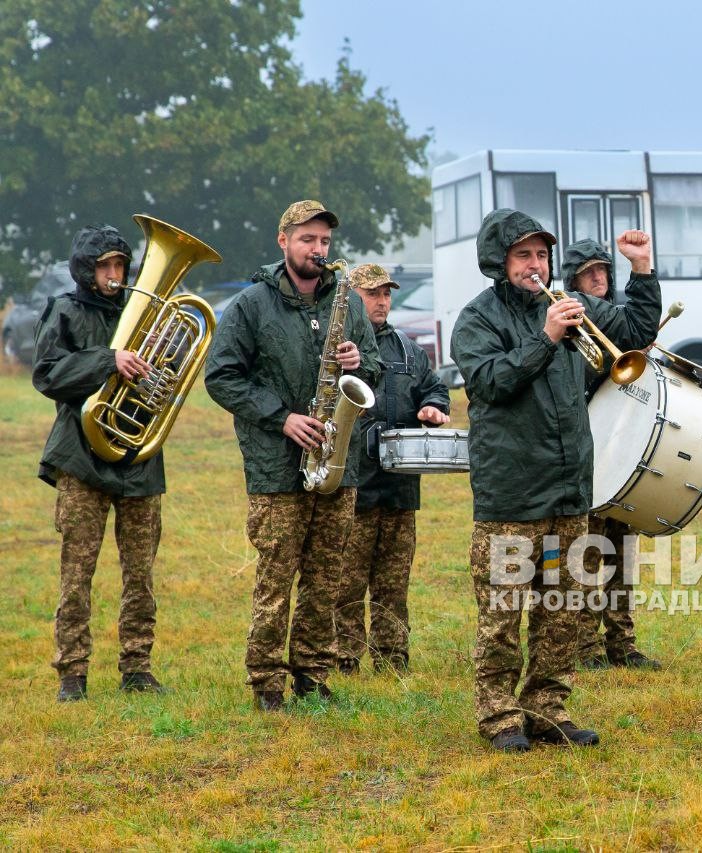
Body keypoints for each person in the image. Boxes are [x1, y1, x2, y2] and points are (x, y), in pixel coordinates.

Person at [451, 209, 660, 752]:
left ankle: (547, 709)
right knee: (502, 612)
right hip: (511, 492)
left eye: (542, 255)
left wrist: (641, 271)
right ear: (499, 261)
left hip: (569, 489)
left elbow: (637, 333)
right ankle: (499, 716)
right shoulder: (478, 318)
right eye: (524, 255)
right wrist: (545, 338)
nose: (536, 265)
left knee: (564, 610)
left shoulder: (573, 305)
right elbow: (491, 383)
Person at [204, 200, 382, 712]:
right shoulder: (251, 305)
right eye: (308, 240)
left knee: (327, 577)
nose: (319, 250)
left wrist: (359, 359)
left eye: (325, 242)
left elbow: (374, 367)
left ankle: (312, 674)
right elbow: (221, 377)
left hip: (335, 459)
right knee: (277, 580)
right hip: (276, 465)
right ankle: (265, 681)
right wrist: (281, 417)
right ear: (283, 241)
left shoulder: (344, 301)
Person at [32, 225, 170, 702]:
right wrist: (108, 360)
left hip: (140, 456)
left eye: (120, 266)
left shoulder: (150, 314)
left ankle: (137, 666)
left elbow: (167, 379)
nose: (115, 275)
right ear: (85, 270)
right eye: (105, 266)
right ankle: (72, 672)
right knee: (77, 572)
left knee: (141, 574)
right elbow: (48, 374)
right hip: (81, 458)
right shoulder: (65, 310)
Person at [334, 263, 451, 676]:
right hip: (353, 485)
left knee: (393, 580)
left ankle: (392, 658)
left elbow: (435, 387)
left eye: (386, 293)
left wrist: (435, 407)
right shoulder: (340, 347)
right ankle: (344, 658)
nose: (382, 301)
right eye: (373, 294)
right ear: (352, 299)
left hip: (400, 488)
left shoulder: (407, 349)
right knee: (347, 580)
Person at [561, 238, 661, 672]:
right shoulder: (567, 311)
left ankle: (623, 641)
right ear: (573, 279)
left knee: (623, 545)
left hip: (622, 444)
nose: (598, 277)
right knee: (586, 546)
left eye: (603, 269)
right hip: (583, 446)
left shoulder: (614, 316)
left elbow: (640, 331)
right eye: (588, 272)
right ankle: (583, 645)